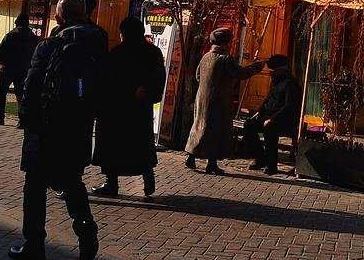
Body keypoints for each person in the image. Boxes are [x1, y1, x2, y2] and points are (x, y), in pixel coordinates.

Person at [9, 0, 107, 260]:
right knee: (71, 180)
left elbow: (31, 86)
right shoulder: (98, 44)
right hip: (79, 126)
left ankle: (34, 244)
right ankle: (85, 226)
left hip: (45, 125)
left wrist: (26, 120)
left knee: (35, 185)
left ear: (59, 17)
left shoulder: (49, 45)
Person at [91, 17, 167, 198]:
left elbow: (110, 81)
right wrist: (148, 93)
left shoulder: (118, 53)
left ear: (123, 33)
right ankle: (147, 177)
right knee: (141, 143)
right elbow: (159, 77)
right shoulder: (153, 52)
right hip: (140, 108)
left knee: (112, 146)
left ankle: (112, 183)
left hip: (116, 109)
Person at [184, 28, 264, 175]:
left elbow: (197, 76)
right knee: (216, 131)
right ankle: (212, 164)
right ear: (226, 43)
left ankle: (191, 156)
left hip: (202, 99)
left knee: (199, 127)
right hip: (219, 101)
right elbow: (241, 73)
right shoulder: (225, 59)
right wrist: (256, 66)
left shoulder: (206, 56)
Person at [242, 54, 302, 176]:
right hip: (268, 116)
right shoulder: (276, 81)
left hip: (283, 120)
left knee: (269, 130)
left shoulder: (290, 84)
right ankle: (260, 158)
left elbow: (289, 106)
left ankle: (271, 165)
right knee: (249, 125)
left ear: (281, 70)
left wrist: (272, 119)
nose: (271, 74)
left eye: (273, 71)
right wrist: (259, 111)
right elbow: (268, 98)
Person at [0, 14, 39, 127]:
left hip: (7, 69)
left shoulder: (10, 35)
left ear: (17, 23)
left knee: (1, 94)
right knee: (21, 95)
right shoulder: (33, 37)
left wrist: (2, 62)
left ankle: (0, 118)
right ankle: (22, 120)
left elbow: (0, 50)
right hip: (24, 69)